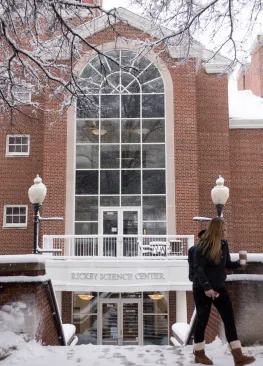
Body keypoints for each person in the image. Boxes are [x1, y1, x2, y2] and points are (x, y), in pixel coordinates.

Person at [192, 217, 255, 365]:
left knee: (229, 319)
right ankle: (199, 354)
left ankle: (238, 356)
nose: (226, 231)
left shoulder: (223, 244)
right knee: (202, 321)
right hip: (203, 289)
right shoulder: (202, 246)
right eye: (224, 229)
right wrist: (207, 287)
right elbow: (199, 269)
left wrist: (239, 264)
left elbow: (226, 264)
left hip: (219, 288)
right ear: (217, 229)